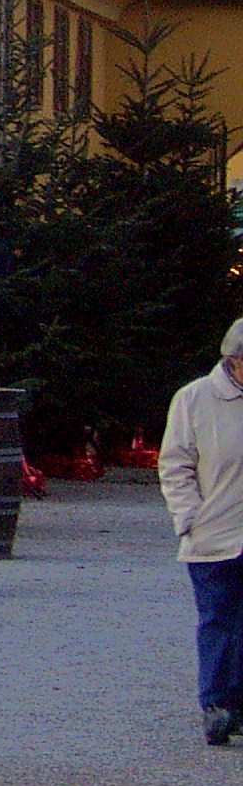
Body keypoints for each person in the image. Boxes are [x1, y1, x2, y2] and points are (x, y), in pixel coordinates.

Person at [157, 317, 243, 746]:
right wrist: (188, 517)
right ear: (234, 360)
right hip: (214, 534)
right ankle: (216, 704)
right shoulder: (194, 399)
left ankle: (239, 703)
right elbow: (175, 464)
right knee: (218, 620)